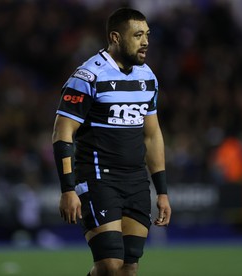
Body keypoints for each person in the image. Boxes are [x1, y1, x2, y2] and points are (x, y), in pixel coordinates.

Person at [52, 7, 171, 276]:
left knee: (128, 269)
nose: (146, 42)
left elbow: (152, 135)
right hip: (98, 179)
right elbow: (62, 133)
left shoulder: (147, 77)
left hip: (136, 181)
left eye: (147, 35)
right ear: (116, 37)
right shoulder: (88, 76)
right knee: (109, 266)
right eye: (138, 35)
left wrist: (162, 191)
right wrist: (68, 189)